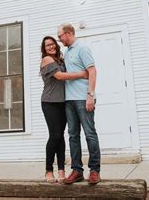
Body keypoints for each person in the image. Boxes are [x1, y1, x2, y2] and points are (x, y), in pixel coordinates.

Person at [40, 36, 88, 183]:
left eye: (52, 44)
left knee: (60, 136)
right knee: (54, 136)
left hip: (63, 102)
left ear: (56, 45)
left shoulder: (60, 59)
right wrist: (82, 74)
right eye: (47, 45)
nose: (51, 47)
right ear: (44, 49)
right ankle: (49, 170)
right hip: (50, 102)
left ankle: (61, 170)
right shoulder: (47, 60)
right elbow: (60, 76)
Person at [57, 23, 101, 185]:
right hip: (69, 100)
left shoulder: (82, 48)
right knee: (73, 135)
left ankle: (95, 170)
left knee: (90, 133)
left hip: (83, 98)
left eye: (60, 36)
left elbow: (92, 71)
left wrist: (91, 95)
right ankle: (77, 170)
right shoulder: (67, 51)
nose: (59, 39)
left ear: (68, 33)